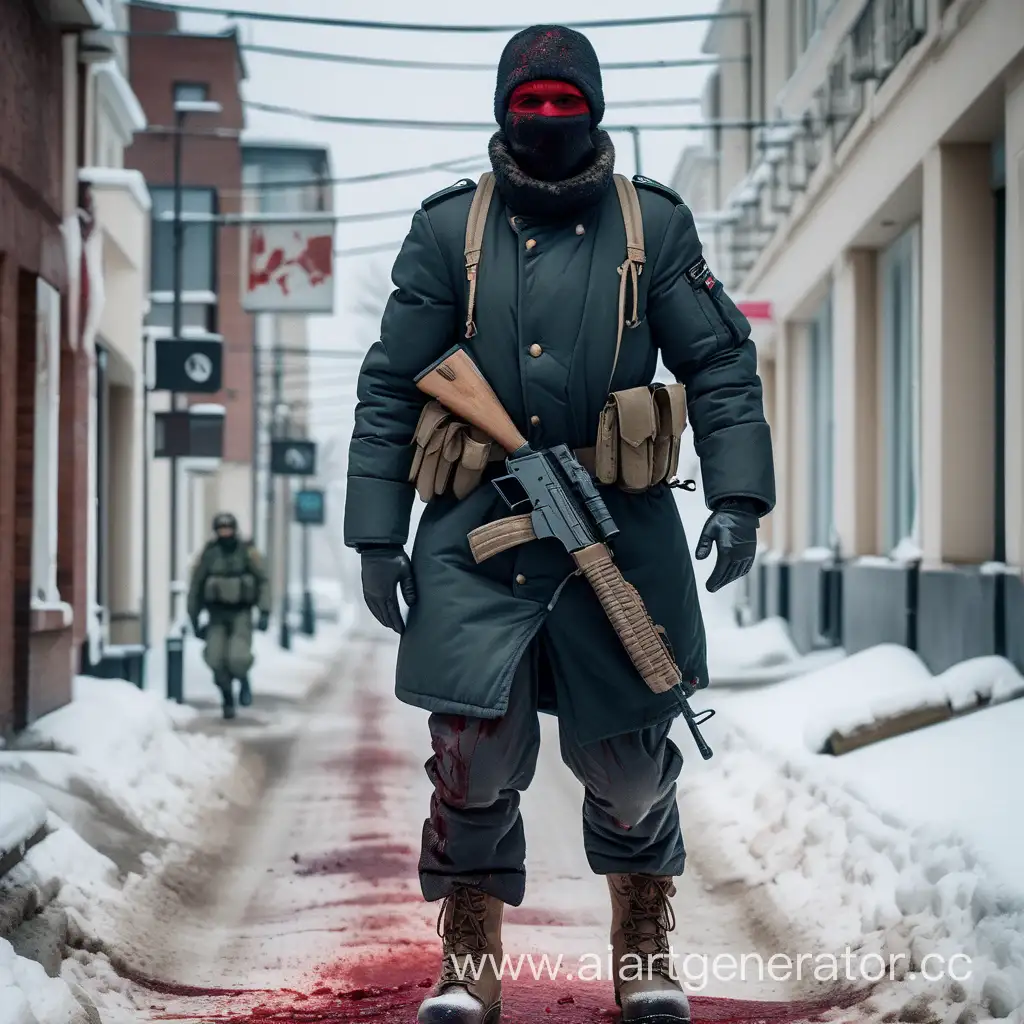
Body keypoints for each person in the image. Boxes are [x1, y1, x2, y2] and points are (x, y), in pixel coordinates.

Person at [345, 25, 775, 1024]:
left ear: (595, 107)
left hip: (613, 528)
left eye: (563, 100)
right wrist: (375, 531)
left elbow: (717, 362)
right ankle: (470, 954)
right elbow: (388, 385)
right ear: (503, 111)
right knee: (474, 755)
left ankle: (641, 937)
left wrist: (738, 495)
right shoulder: (448, 228)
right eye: (528, 102)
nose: (546, 118)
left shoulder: (652, 227)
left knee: (630, 770)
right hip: (475, 525)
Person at [187, 512, 271, 719]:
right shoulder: (209, 554)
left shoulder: (247, 553)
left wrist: (264, 611)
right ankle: (227, 697)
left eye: (228, 528)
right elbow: (196, 586)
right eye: (221, 529)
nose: (225, 532)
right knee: (215, 658)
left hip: (241, 613)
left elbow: (263, 581)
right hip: (216, 614)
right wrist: (194, 616)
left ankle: (242, 679)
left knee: (237, 657)